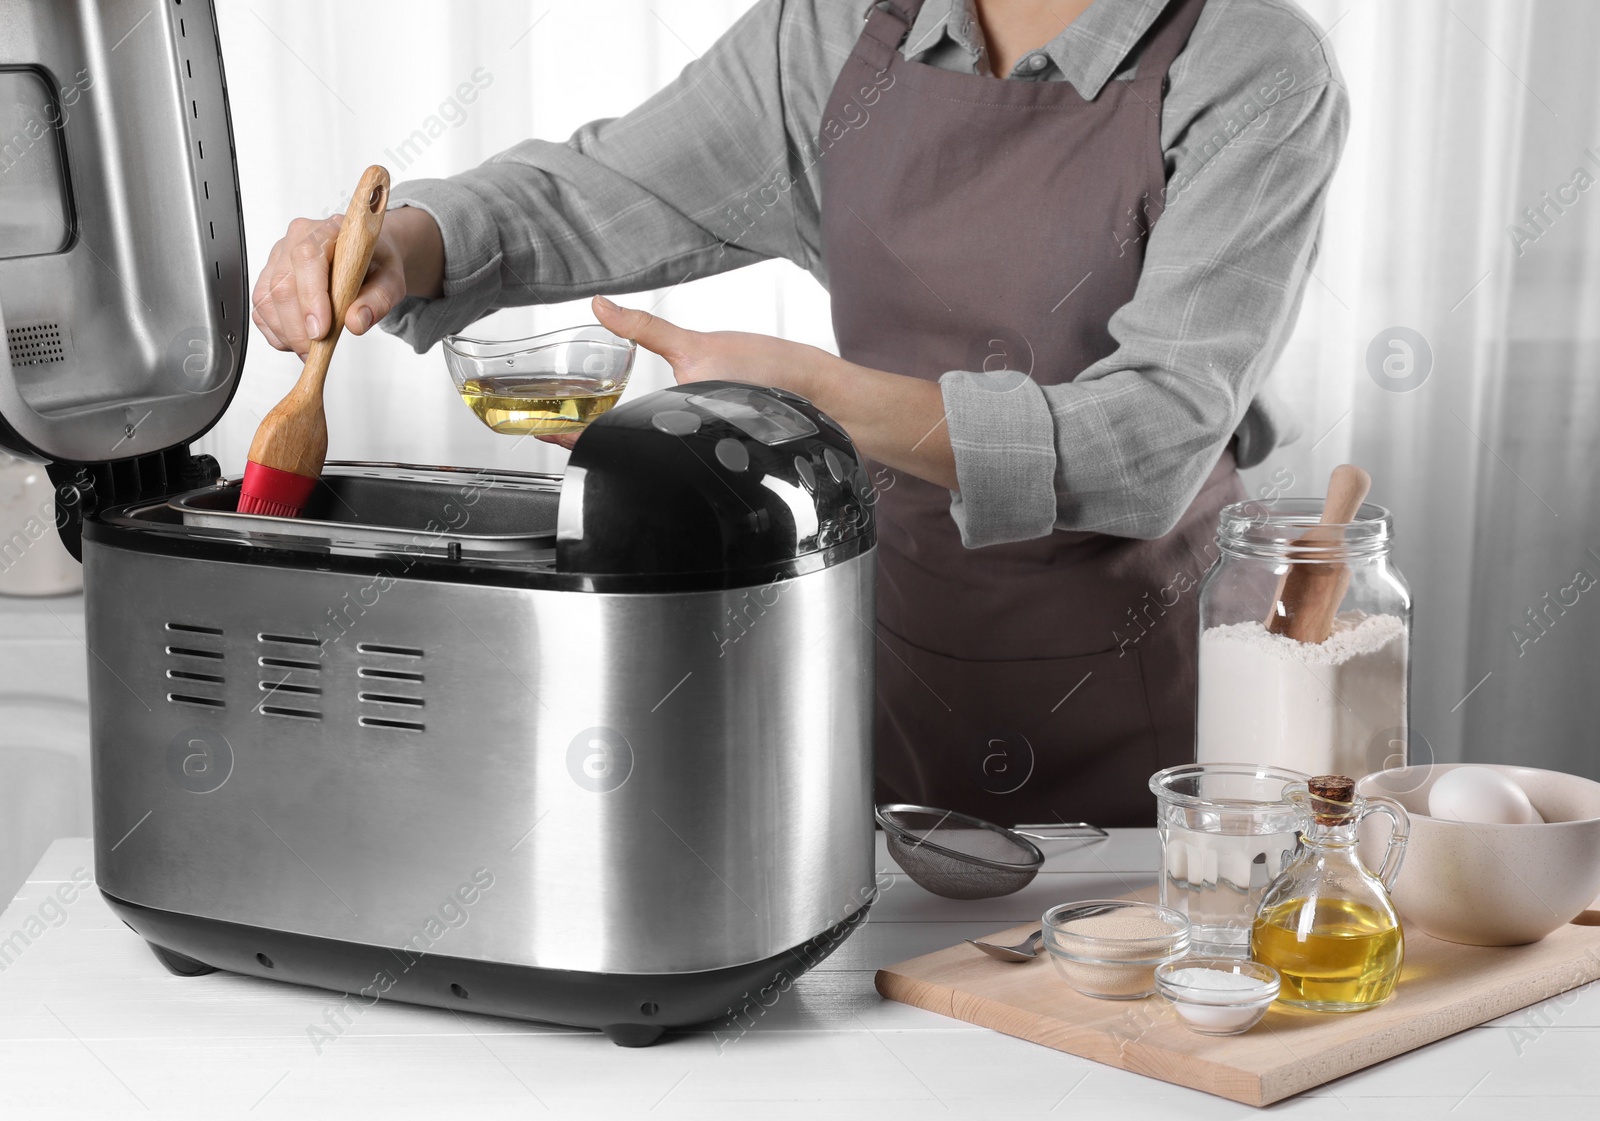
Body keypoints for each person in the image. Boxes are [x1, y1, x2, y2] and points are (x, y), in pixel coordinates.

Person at [253, 0, 1348, 826]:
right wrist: (412, 241)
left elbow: (1148, 442)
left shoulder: (1251, 68)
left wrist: (818, 396)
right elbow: (598, 189)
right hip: (891, 661)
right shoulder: (833, 33)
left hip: (1148, 705)